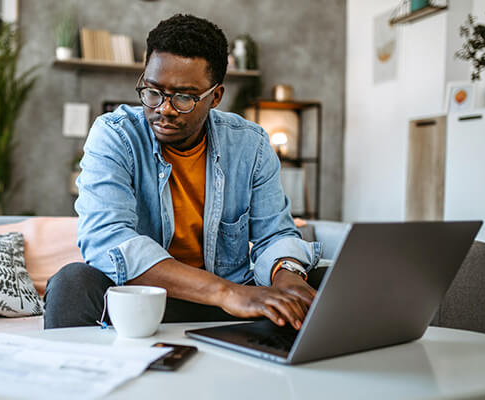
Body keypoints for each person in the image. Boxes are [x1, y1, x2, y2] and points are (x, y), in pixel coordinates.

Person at [44, 14, 321, 330]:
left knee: (320, 283)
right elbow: (107, 238)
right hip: (145, 300)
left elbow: (275, 233)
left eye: (184, 97)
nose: (164, 108)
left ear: (215, 96)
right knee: (72, 283)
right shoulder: (115, 135)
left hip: (228, 303)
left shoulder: (250, 144)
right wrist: (225, 292)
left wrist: (288, 277)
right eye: (153, 91)